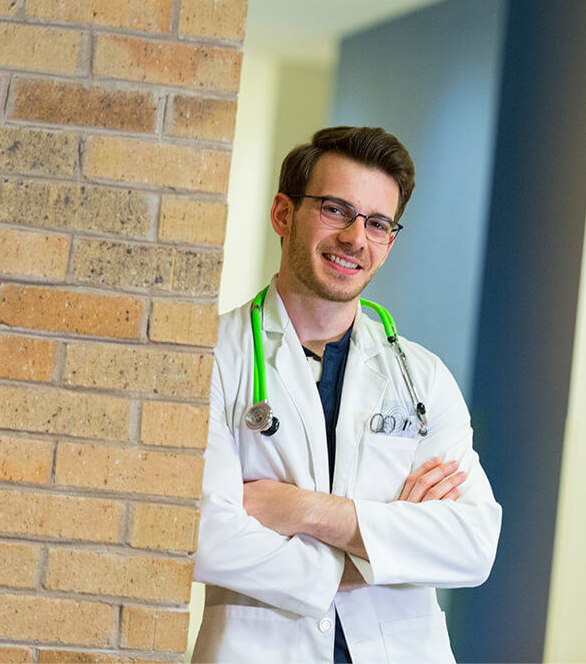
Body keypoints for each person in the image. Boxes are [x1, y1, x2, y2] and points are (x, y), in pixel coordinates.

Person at [192, 126, 502, 663]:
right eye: (336, 210)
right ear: (283, 214)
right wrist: (386, 550)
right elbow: (206, 536)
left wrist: (304, 511)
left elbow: (471, 544)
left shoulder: (422, 378)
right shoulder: (215, 357)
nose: (356, 238)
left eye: (377, 223)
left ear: (389, 242)